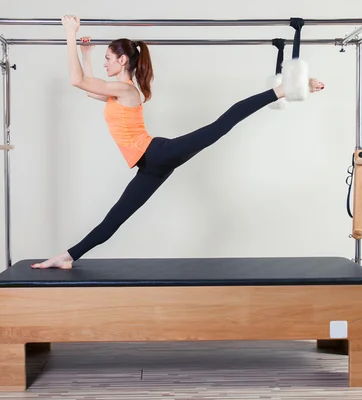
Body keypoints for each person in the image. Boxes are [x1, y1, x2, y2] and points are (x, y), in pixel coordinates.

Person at [32, 15, 325, 269]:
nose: (104, 63)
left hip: (157, 154)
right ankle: (68, 256)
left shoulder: (124, 89)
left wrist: (70, 34)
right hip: (151, 167)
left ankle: (283, 89)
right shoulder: (116, 90)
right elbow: (88, 89)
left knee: (220, 126)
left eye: (107, 58)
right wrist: (86, 53)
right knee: (115, 218)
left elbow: (77, 81)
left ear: (122, 60)